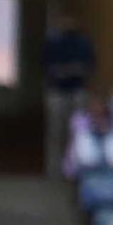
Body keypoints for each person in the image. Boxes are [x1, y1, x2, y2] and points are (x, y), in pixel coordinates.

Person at [42, 13, 96, 176]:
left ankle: (74, 168)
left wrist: (73, 70)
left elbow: (89, 66)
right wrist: (65, 70)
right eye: (65, 21)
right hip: (57, 91)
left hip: (77, 91)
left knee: (78, 131)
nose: (69, 24)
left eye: (72, 21)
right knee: (55, 132)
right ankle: (53, 170)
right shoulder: (53, 43)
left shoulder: (84, 43)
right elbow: (46, 66)